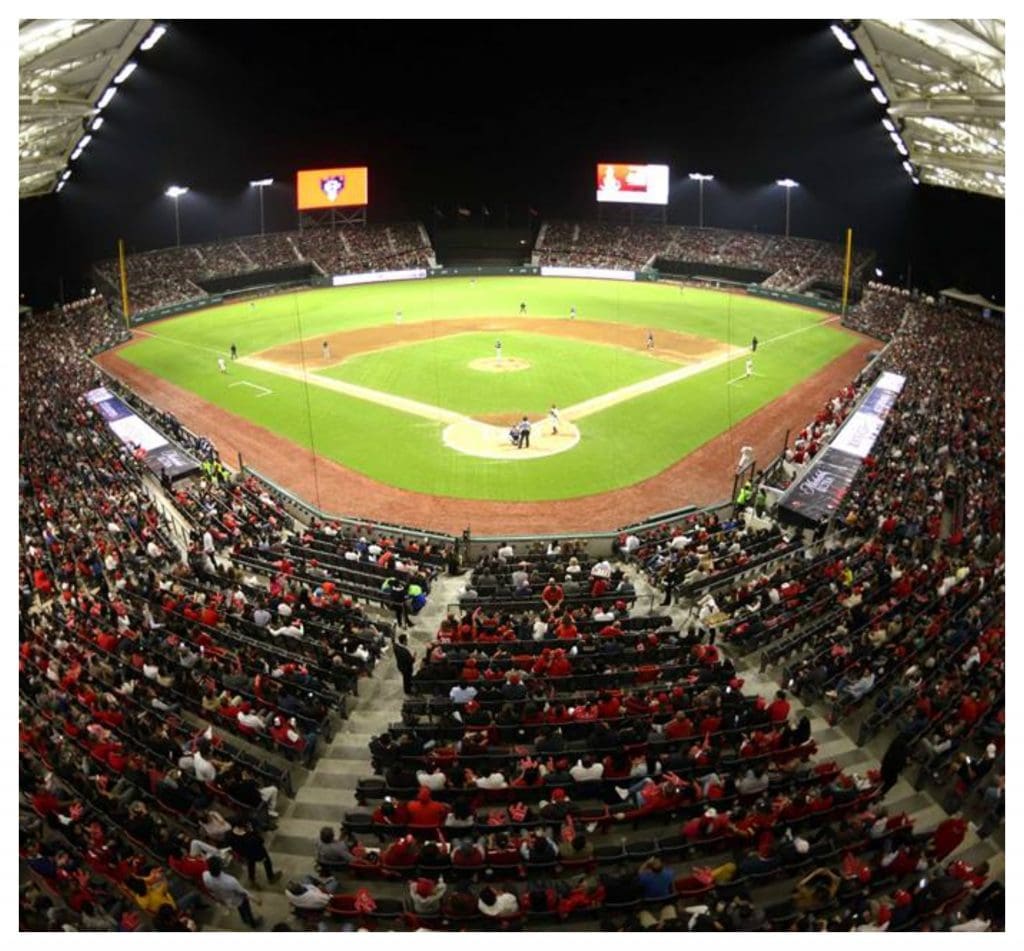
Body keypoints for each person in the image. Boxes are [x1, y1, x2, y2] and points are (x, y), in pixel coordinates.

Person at [202, 855, 261, 928]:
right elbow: (242, 891)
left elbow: (211, 890)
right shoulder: (231, 881)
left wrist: (218, 899)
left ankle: (244, 919)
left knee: (240, 908)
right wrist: (255, 899)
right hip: (238, 899)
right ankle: (253, 923)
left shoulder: (205, 876)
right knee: (247, 910)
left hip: (226, 899)